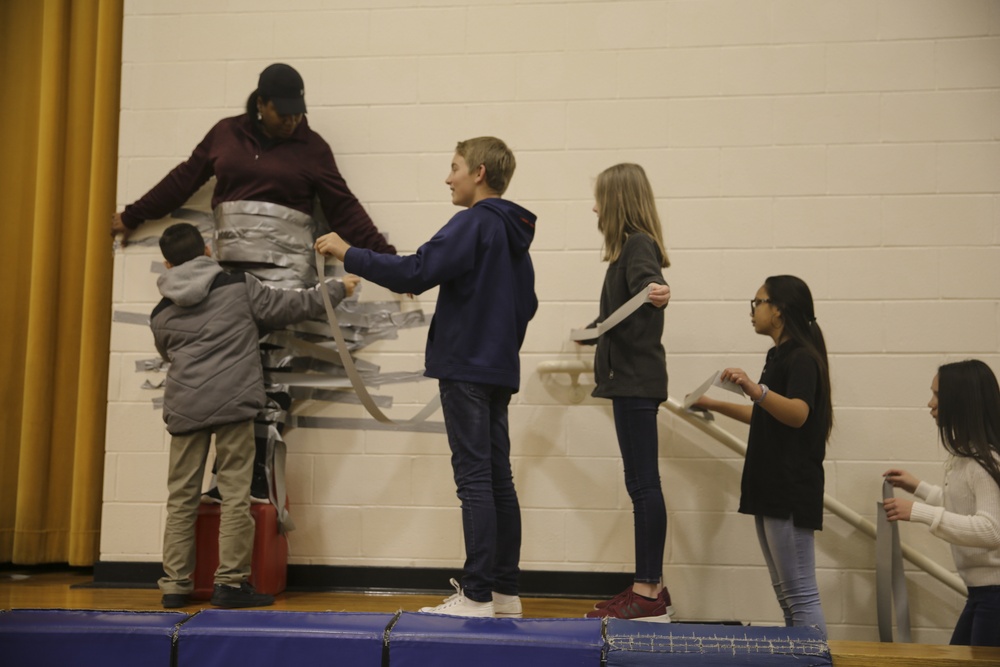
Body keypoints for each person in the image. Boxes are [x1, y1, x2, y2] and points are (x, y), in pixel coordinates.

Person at [112, 62, 395, 505]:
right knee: (230, 374)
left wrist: (389, 262)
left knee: (275, 374)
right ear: (260, 103)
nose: (292, 120)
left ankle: (256, 477)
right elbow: (184, 179)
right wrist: (132, 215)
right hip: (228, 280)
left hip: (286, 275)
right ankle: (228, 476)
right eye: (282, 112)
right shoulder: (225, 134)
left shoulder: (312, 148)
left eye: (298, 112)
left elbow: (344, 209)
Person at [314, 137, 536, 618]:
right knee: (499, 480)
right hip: (498, 369)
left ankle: (476, 595)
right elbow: (528, 305)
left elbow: (416, 271)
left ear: (478, 172)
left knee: (475, 478)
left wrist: (347, 251)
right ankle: (504, 592)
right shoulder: (515, 235)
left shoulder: (474, 222)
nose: (447, 177)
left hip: (467, 369)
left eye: (453, 167)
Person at [152, 222, 357, 609]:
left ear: (167, 264)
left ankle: (175, 586)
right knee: (234, 495)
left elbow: (168, 354)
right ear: (208, 251)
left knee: (181, 499)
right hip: (232, 403)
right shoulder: (237, 287)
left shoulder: (160, 313)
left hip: (184, 408)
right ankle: (229, 584)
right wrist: (336, 289)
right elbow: (289, 307)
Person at [690, 275, 832, 635]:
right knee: (786, 594)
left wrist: (756, 388)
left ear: (779, 311)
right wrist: (714, 403)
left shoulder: (802, 358)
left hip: (790, 489)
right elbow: (768, 413)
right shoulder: (778, 355)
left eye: (758, 303)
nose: (753, 311)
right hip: (768, 485)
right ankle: (797, 658)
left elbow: (798, 413)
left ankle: (812, 662)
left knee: (800, 595)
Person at [575, 164, 674, 621]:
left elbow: (650, 290)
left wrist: (658, 292)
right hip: (631, 382)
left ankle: (649, 590)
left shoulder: (638, 245)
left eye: (599, 199)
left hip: (635, 382)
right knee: (641, 485)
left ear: (616, 201)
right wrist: (591, 332)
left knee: (643, 485)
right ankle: (646, 585)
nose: (594, 208)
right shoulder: (631, 248)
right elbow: (634, 302)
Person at [883, 359, 1000, 647]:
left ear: (961, 402)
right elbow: (962, 507)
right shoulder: (966, 458)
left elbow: (991, 529)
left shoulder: (984, 463)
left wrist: (920, 513)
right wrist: (919, 488)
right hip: (981, 594)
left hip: (993, 595)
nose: (930, 404)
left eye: (937, 396)